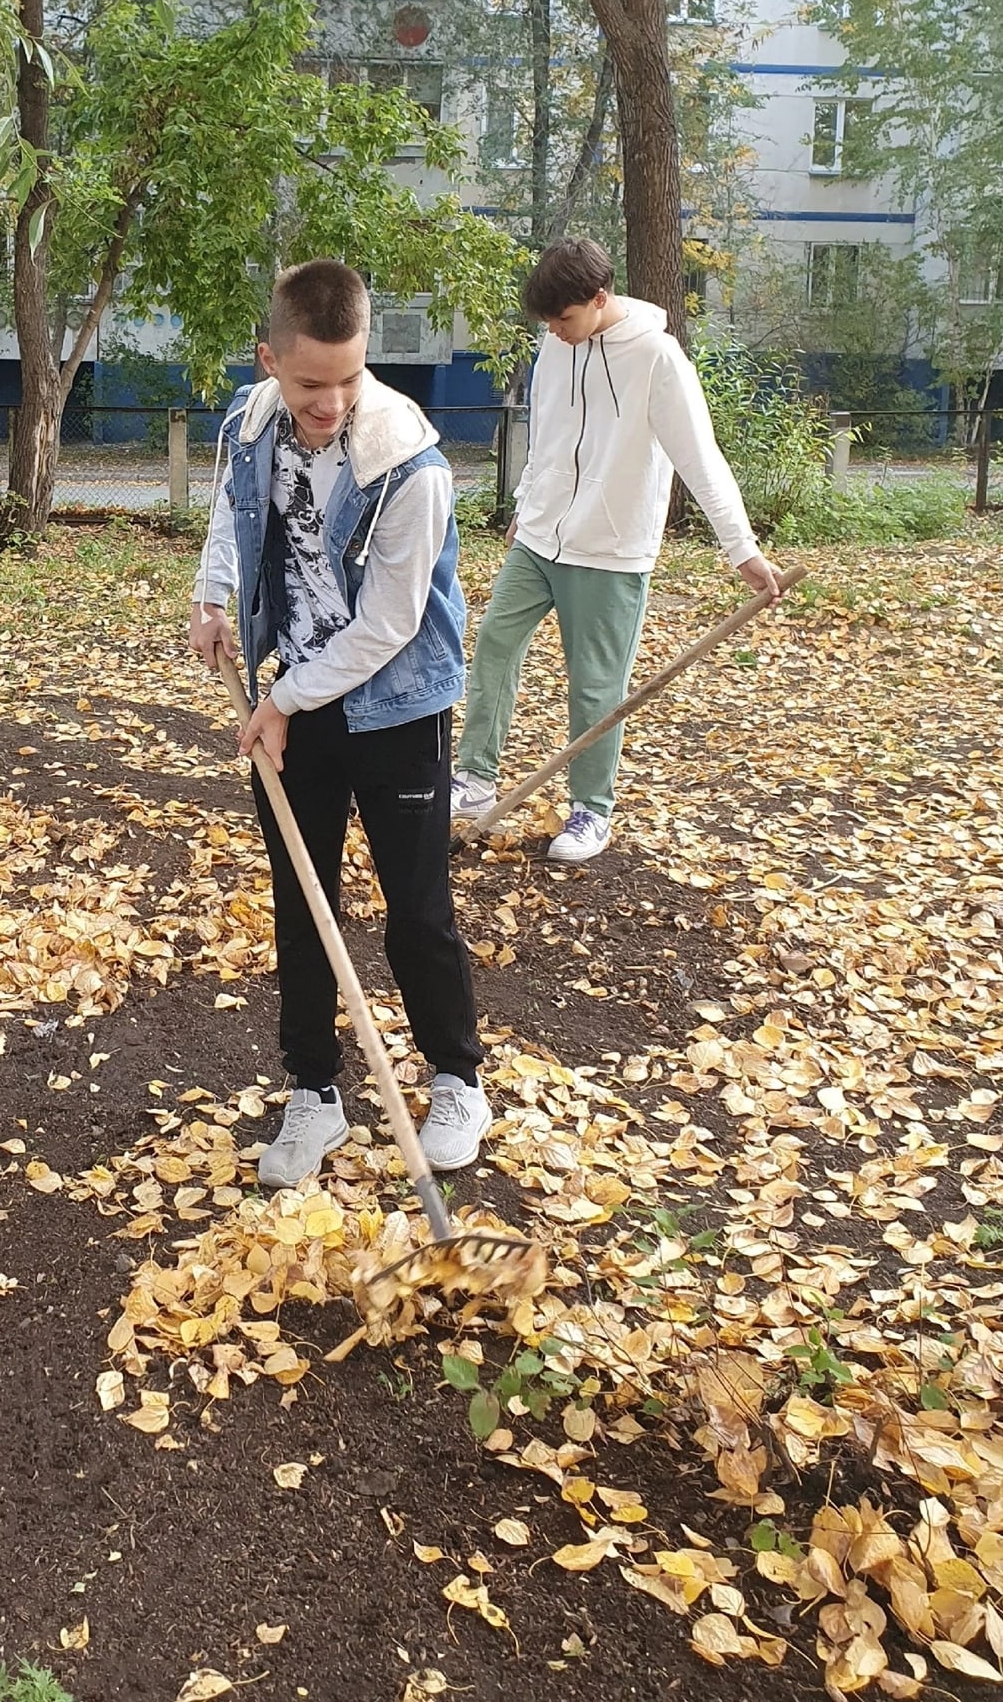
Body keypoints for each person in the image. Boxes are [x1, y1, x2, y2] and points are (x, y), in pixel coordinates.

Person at [189, 259, 489, 1191]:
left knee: (417, 911)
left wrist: (280, 701)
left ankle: (457, 1079)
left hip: (398, 705)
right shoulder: (249, 423)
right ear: (269, 357)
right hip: (297, 700)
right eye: (310, 382)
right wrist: (211, 599)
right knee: (302, 904)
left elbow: (389, 624)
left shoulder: (410, 462)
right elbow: (232, 519)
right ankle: (313, 1097)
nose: (330, 403)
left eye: (349, 378)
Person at [450, 237, 782, 862]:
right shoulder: (556, 342)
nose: (555, 330)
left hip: (610, 549)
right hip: (543, 535)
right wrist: (526, 504)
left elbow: (699, 458)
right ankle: (473, 779)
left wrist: (742, 549)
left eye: (565, 318)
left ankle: (589, 811)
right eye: (546, 320)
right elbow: (546, 432)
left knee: (596, 685)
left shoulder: (657, 358)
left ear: (600, 298)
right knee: (494, 642)